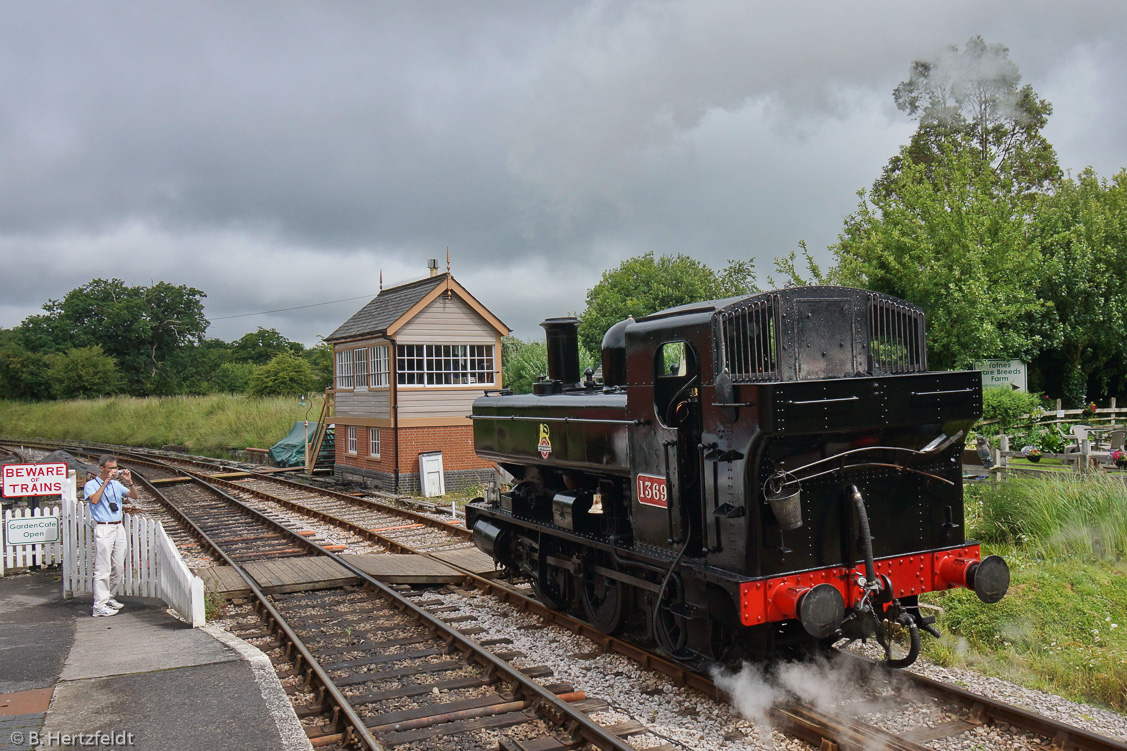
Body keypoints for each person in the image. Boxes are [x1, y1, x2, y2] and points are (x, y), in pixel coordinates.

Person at [84, 455, 139, 617]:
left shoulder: (117, 484)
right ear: (102, 468)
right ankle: (99, 606)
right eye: (110, 468)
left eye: (115, 468)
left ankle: (108, 597)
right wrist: (105, 482)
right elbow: (94, 500)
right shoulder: (91, 485)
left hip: (117, 526)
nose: (114, 471)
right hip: (103, 527)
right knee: (103, 568)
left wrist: (129, 481)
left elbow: (135, 496)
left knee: (118, 566)